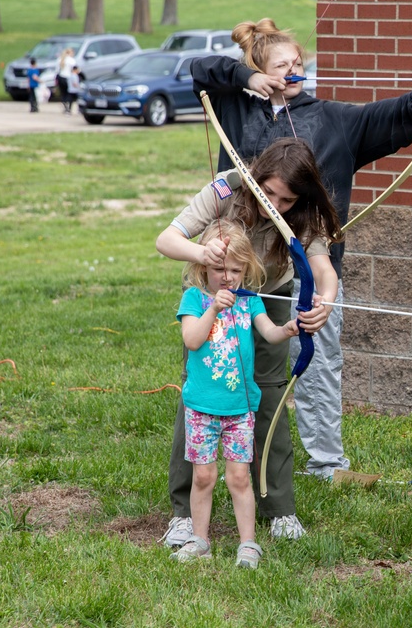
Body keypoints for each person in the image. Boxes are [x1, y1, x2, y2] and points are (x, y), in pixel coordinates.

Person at [170, 17, 412, 541]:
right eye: (279, 66)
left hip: (284, 282)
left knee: (276, 382)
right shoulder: (239, 108)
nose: (292, 72)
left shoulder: (329, 119)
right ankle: (184, 513)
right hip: (228, 280)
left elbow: (382, 116)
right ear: (259, 71)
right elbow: (196, 69)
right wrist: (243, 79)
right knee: (207, 381)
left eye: (297, 65)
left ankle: (296, 485)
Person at [157, 137, 341, 546]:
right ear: (255, 178)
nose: (273, 203)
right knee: (200, 395)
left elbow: (322, 269)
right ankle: (184, 515)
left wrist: (324, 302)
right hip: (212, 298)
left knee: (270, 397)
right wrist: (205, 257)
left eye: (285, 199)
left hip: (266, 298)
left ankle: (279, 510)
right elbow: (167, 239)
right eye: (267, 191)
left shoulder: (304, 213)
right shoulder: (227, 186)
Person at [169, 219, 304, 568]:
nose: (226, 277)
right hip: (201, 408)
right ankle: (200, 539)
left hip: (239, 409)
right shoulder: (195, 299)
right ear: (203, 267)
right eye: (218, 269)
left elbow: (269, 334)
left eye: (234, 270)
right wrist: (214, 307)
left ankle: (248, 544)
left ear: (246, 270)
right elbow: (192, 339)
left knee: (239, 477)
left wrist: (288, 329)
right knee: (203, 476)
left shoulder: (250, 302)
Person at [57, 47, 77, 113]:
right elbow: (74, 69)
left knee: (63, 93)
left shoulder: (61, 59)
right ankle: (68, 108)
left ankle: (65, 105)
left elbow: (57, 70)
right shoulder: (71, 60)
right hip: (68, 77)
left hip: (61, 77)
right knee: (69, 93)